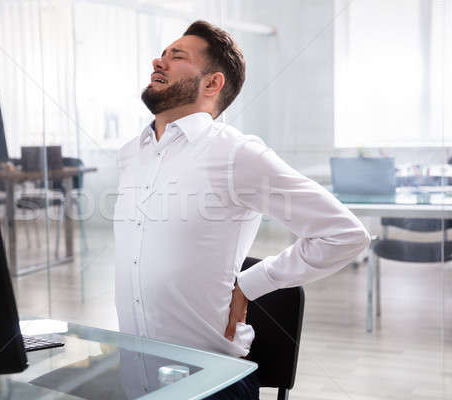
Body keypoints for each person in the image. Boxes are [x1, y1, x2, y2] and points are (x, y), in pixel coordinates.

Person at [113, 20, 370, 399]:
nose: (159, 61)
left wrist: (252, 283)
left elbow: (345, 234)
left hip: (210, 382)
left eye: (176, 56)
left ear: (211, 83)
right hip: (133, 377)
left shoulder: (236, 153)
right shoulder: (131, 154)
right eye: (162, 54)